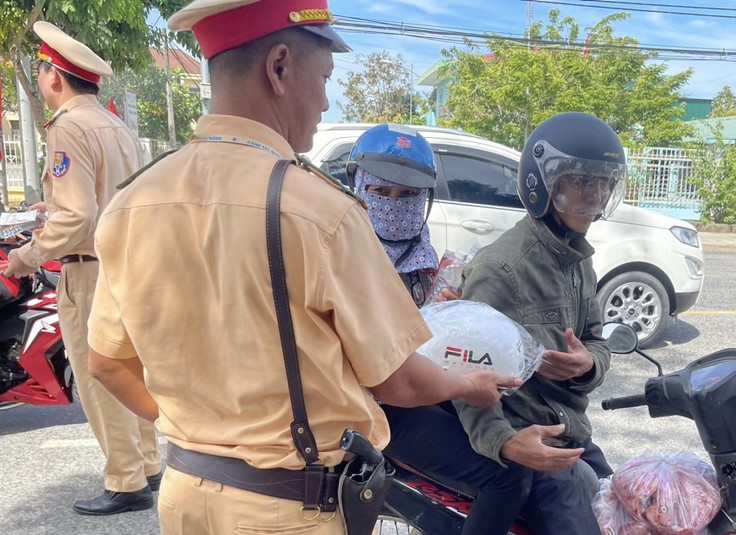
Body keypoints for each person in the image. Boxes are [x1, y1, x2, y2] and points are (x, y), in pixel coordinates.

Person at [84, 2, 517, 534]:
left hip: (183, 497)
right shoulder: (318, 212)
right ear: (280, 67)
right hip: (287, 510)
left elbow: (106, 364)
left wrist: (206, 440)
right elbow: (397, 380)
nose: (326, 100)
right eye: (326, 76)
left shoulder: (133, 201)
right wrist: (465, 384)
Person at [0, 21, 162, 515]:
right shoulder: (115, 125)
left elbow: (77, 217)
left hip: (89, 271)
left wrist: (25, 257)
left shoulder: (68, 126)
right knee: (129, 367)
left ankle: (125, 478)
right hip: (126, 264)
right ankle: (148, 464)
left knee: (97, 376)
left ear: (53, 76)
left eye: (43, 67)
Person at [347, 123, 534, 534]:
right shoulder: (346, 260)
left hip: (422, 387)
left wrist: (450, 316)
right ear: (357, 188)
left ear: (427, 199)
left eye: (409, 195)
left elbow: (428, 342)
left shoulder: (425, 257)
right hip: (379, 406)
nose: (395, 205)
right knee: (509, 475)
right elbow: (385, 373)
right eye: (381, 192)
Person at [454, 112, 628, 535]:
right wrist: (505, 442)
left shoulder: (577, 260)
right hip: (533, 442)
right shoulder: (501, 268)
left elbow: (595, 339)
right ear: (543, 184)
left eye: (604, 183)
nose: (595, 195)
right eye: (581, 181)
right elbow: (464, 370)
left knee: (637, 507)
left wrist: (588, 365)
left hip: (574, 434)